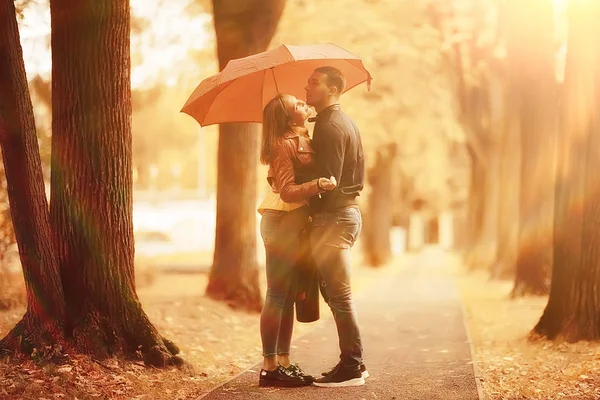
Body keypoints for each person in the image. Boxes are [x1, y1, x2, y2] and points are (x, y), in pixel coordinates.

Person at [257, 93, 337, 388]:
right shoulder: (282, 143)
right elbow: (288, 191)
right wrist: (318, 185)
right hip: (280, 223)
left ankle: (284, 363)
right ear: (288, 117)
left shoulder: (303, 135)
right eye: (297, 105)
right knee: (277, 295)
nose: (304, 104)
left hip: (293, 225)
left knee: (288, 296)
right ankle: (269, 367)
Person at [304, 66, 368, 387]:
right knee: (332, 291)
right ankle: (353, 360)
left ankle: (352, 366)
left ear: (332, 90)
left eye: (314, 83)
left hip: (334, 218)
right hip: (344, 215)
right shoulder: (344, 122)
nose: (307, 88)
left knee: (339, 296)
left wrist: (296, 175)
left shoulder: (329, 127)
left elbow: (326, 182)